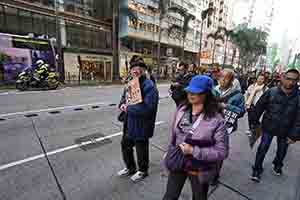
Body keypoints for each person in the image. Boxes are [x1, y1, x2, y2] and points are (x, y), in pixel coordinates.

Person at [163, 75, 229, 200]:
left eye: (196, 92)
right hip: (179, 161)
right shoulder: (182, 109)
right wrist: (171, 149)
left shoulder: (216, 119)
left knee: (199, 197)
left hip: (199, 167)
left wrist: (194, 151)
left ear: (206, 94)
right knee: (170, 196)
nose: (191, 94)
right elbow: (174, 134)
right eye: (190, 91)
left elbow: (222, 152)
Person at [250, 69, 300, 182]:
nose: (291, 82)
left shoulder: (298, 96)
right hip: (269, 126)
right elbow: (259, 107)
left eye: (294, 80)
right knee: (263, 148)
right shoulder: (271, 92)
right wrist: (254, 122)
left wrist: (294, 135)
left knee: (282, 150)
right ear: (283, 78)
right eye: (288, 79)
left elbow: (299, 118)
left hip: (286, 130)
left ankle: (277, 165)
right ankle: (257, 169)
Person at [117, 55, 159, 182]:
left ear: (144, 70)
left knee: (141, 148)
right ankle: (130, 168)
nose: (136, 70)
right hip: (129, 122)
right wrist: (122, 104)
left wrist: (128, 109)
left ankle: (143, 170)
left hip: (142, 124)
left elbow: (148, 108)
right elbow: (124, 99)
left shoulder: (149, 86)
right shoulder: (130, 83)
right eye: (133, 67)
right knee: (125, 145)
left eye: (139, 67)